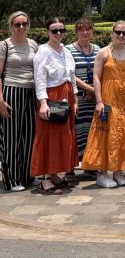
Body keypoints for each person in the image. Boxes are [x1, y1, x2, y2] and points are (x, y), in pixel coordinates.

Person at [81, 21, 125, 188]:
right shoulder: (103, 53)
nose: (121, 35)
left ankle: (118, 170)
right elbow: (96, 77)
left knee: (123, 134)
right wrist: (99, 101)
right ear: (112, 33)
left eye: (124, 33)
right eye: (118, 32)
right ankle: (102, 173)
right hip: (108, 98)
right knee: (105, 134)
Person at [30, 17, 78, 195]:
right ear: (47, 32)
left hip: (67, 96)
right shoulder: (43, 52)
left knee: (63, 137)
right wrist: (43, 103)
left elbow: (71, 76)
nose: (58, 34)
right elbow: (40, 79)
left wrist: (75, 99)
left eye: (61, 30)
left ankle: (55, 173)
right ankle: (45, 179)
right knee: (49, 137)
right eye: (54, 31)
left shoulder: (65, 51)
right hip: (52, 97)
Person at [0, 12, 38, 191]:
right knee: (12, 137)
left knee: (30, 136)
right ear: (12, 26)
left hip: (31, 92)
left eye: (25, 23)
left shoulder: (33, 45)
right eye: (17, 24)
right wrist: (0, 100)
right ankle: (13, 179)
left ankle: (28, 175)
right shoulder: (5, 45)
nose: (21, 27)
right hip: (11, 91)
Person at [65, 18, 100, 178]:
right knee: (75, 131)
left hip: (94, 98)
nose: (85, 33)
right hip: (77, 96)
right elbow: (69, 74)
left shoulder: (98, 49)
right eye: (81, 29)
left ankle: (90, 165)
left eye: (88, 29)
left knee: (92, 131)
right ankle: (70, 167)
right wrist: (87, 88)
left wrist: (95, 91)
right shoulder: (68, 50)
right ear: (76, 32)